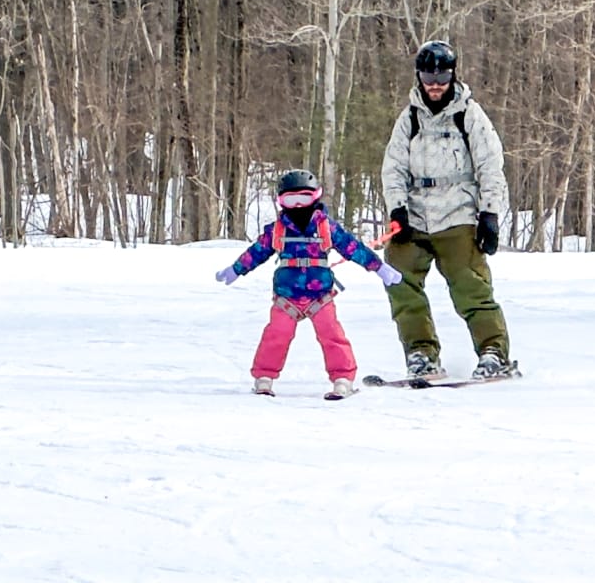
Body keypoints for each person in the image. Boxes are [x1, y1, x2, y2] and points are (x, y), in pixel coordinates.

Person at [380, 39, 517, 380]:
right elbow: (393, 168)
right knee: (398, 276)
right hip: (416, 215)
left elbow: (490, 165)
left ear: (452, 75)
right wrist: (397, 210)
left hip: (458, 213)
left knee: (470, 285)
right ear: (419, 77)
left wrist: (489, 214)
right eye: (429, 77)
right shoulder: (409, 118)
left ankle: (493, 351)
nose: (436, 84)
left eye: (442, 77)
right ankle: (421, 352)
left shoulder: (469, 115)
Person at [215, 169, 402, 398]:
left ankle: (343, 378)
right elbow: (257, 252)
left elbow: (353, 248)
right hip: (286, 295)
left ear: (315, 197)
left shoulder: (326, 227)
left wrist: (379, 267)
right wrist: (236, 269)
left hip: (320, 295)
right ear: (281, 201)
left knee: (331, 334)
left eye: (303, 198)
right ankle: (264, 377)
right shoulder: (277, 229)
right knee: (276, 335)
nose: (297, 205)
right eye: (290, 200)